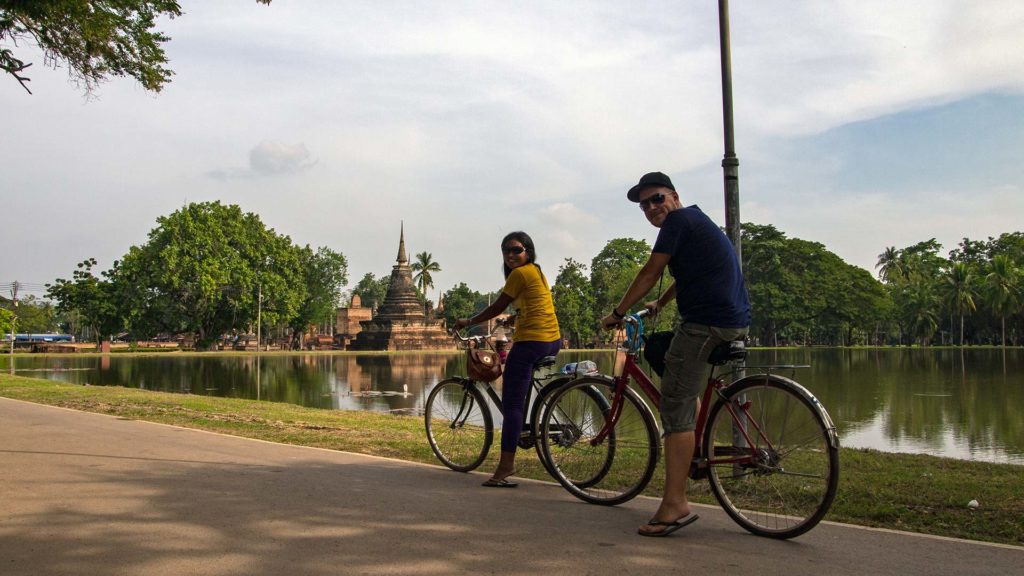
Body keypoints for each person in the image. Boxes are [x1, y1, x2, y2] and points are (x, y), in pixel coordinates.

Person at [600, 171, 751, 537]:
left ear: (674, 196)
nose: (652, 208)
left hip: (706, 324)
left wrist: (618, 313)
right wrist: (660, 303)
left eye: (657, 199)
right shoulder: (696, 220)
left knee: (674, 404)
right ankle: (696, 448)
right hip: (729, 321)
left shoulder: (678, 221)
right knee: (665, 355)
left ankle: (674, 504)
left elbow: (651, 271)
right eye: (644, 205)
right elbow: (686, 276)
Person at [455, 231, 562, 488]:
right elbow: (536, 304)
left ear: (528, 251)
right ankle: (528, 428)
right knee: (519, 395)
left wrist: (469, 321)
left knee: (512, 405)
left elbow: (496, 307)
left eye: (517, 250)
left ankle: (505, 468)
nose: (511, 255)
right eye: (506, 251)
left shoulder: (519, 274)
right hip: (552, 340)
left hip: (531, 342)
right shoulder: (536, 271)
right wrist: (517, 317)